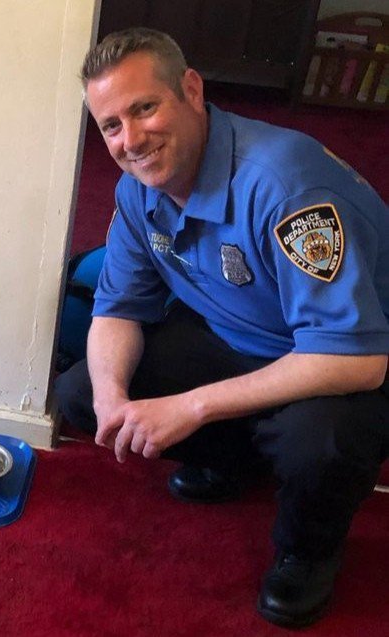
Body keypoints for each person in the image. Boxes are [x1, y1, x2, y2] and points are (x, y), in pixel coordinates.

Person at [55, 27, 388, 628]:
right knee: (84, 390)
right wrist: (112, 400)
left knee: (322, 443)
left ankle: (307, 550)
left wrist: (193, 406)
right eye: (110, 125)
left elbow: (355, 360)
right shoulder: (138, 189)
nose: (131, 141)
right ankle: (238, 461)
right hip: (244, 337)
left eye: (145, 108)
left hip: (350, 356)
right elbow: (119, 308)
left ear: (190, 89)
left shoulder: (286, 186)